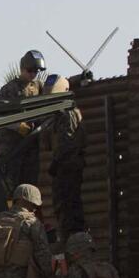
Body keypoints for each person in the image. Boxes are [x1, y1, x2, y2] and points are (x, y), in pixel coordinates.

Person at [42, 73, 87, 240]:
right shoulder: (59, 114)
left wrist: (56, 162)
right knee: (62, 207)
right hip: (64, 167)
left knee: (69, 207)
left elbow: (67, 143)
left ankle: (75, 241)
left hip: (69, 167)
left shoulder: (68, 113)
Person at [0, 50, 47, 191]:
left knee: (30, 186)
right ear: (22, 69)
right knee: (11, 185)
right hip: (11, 145)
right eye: (30, 70)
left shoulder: (38, 87)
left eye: (36, 71)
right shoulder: (9, 89)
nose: (33, 74)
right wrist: (17, 126)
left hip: (30, 145)